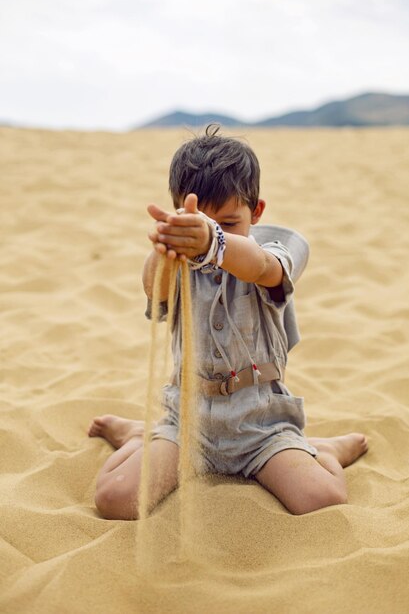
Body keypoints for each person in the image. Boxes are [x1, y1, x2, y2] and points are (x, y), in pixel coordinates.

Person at [88, 125, 368, 520]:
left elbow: (264, 268)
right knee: (115, 499)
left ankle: (321, 448)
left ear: (256, 211)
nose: (213, 231)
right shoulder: (180, 257)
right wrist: (164, 248)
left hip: (261, 428)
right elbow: (156, 290)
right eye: (200, 221)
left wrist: (213, 242)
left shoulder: (277, 249)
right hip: (186, 426)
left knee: (321, 499)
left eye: (229, 223)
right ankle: (139, 434)